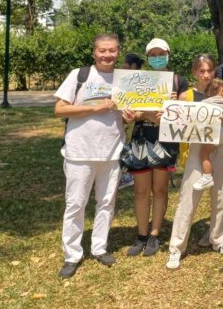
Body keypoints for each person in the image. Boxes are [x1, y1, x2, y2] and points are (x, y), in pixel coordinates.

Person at [54, 33, 125, 279]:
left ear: (118, 51)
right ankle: (72, 254)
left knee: (106, 203)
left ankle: (99, 247)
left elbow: (132, 110)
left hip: (111, 152)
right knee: (75, 204)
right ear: (94, 52)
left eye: (112, 50)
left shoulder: (124, 78)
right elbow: (59, 109)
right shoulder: (79, 75)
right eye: (102, 50)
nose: (107, 55)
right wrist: (95, 108)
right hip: (80, 152)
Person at [167, 55, 223, 269]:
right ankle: (176, 247)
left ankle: (217, 239)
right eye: (202, 71)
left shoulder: (222, 90)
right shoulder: (187, 95)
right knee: (189, 196)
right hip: (199, 148)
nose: (206, 75)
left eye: (209, 70)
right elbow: (176, 120)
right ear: (195, 73)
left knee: (221, 195)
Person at [124, 38, 188, 258]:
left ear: (169, 54)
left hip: (166, 141)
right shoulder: (135, 80)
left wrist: (171, 105)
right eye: (153, 54)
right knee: (141, 191)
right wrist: (147, 114)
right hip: (141, 139)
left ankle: (154, 234)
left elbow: (183, 114)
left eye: (161, 53)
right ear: (148, 57)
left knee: (160, 190)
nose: (157, 57)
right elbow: (129, 112)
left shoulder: (179, 81)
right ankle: (141, 235)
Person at [118, 53, 144, 190]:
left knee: (125, 146)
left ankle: (125, 174)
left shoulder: (139, 81)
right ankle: (124, 174)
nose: (121, 66)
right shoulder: (123, 79)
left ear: (133, 66)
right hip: (124, 122)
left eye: (124, 64)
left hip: (132, 124)